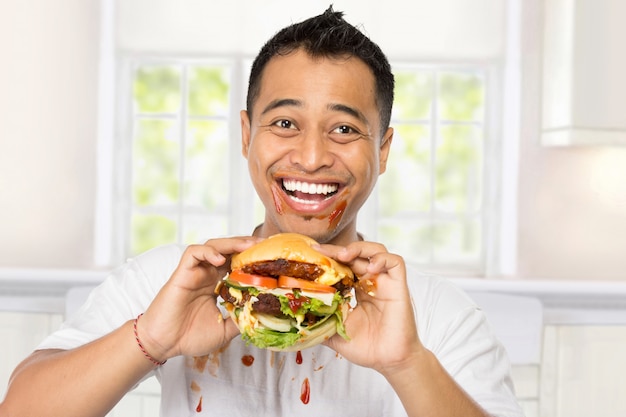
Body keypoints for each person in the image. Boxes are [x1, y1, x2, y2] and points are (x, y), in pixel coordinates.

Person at [0, 7, 523, 417]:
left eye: (343, 129)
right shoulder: (179, 278)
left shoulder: (436, 314)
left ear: (382, 150)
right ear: (247, 135)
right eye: (285, 124)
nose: (313, 157)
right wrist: (153, 339)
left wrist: (407, 364)